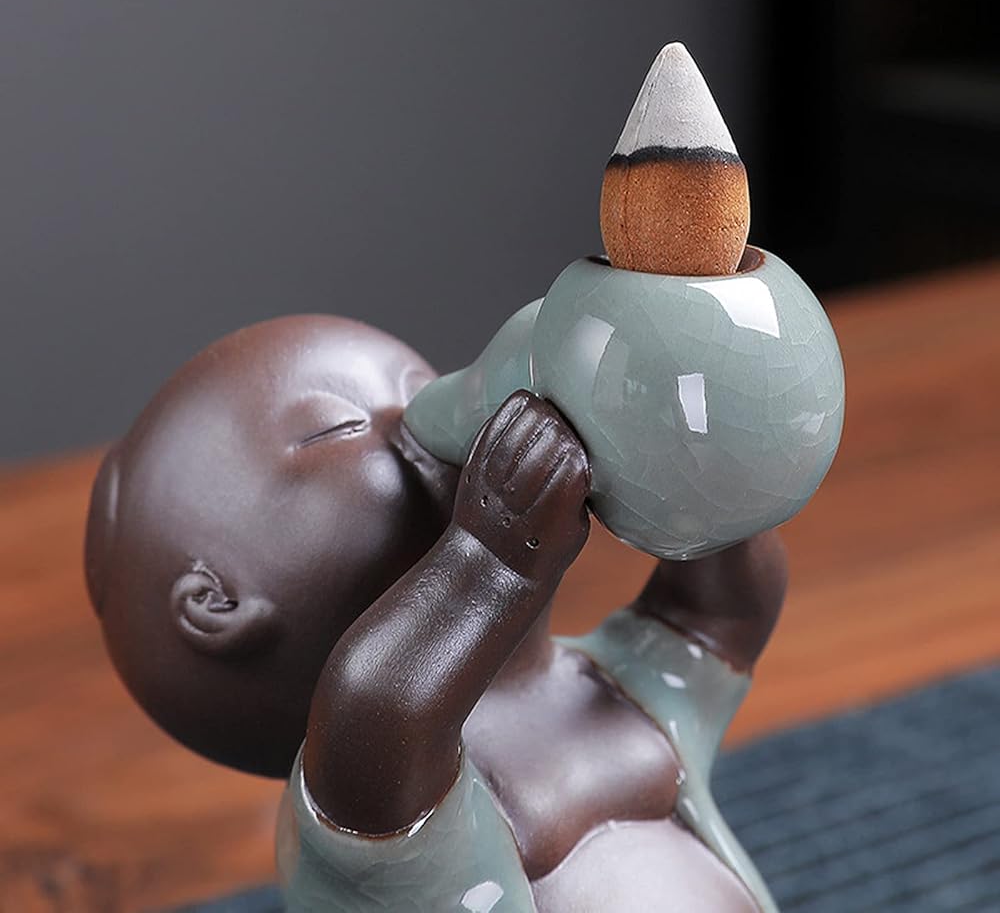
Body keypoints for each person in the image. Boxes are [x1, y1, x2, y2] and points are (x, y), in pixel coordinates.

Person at [85, 314, 786, 912]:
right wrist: (492, 563)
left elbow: (717, 621)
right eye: (336, 427)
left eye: (422, 390)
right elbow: (378, 705)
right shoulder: (356, 794)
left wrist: (697, 478)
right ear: (219, 603)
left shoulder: (599, 683)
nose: (421, 420)